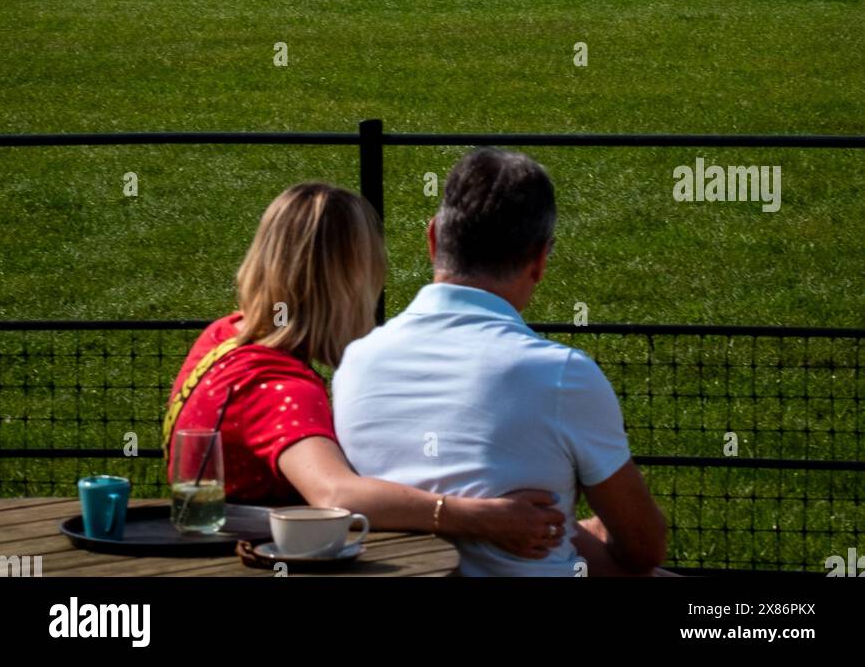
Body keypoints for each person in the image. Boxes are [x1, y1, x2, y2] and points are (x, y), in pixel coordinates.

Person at [164, 182, 565, 559]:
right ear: (350, 283)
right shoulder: (278, 387)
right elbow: (336, 494)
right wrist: (482, 518)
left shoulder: (224, 336)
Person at [333, 149, 669, 577]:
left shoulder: (356, 361)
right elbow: (643, 550)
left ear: (433, 238)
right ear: (540, 260)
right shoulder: (564, 375)